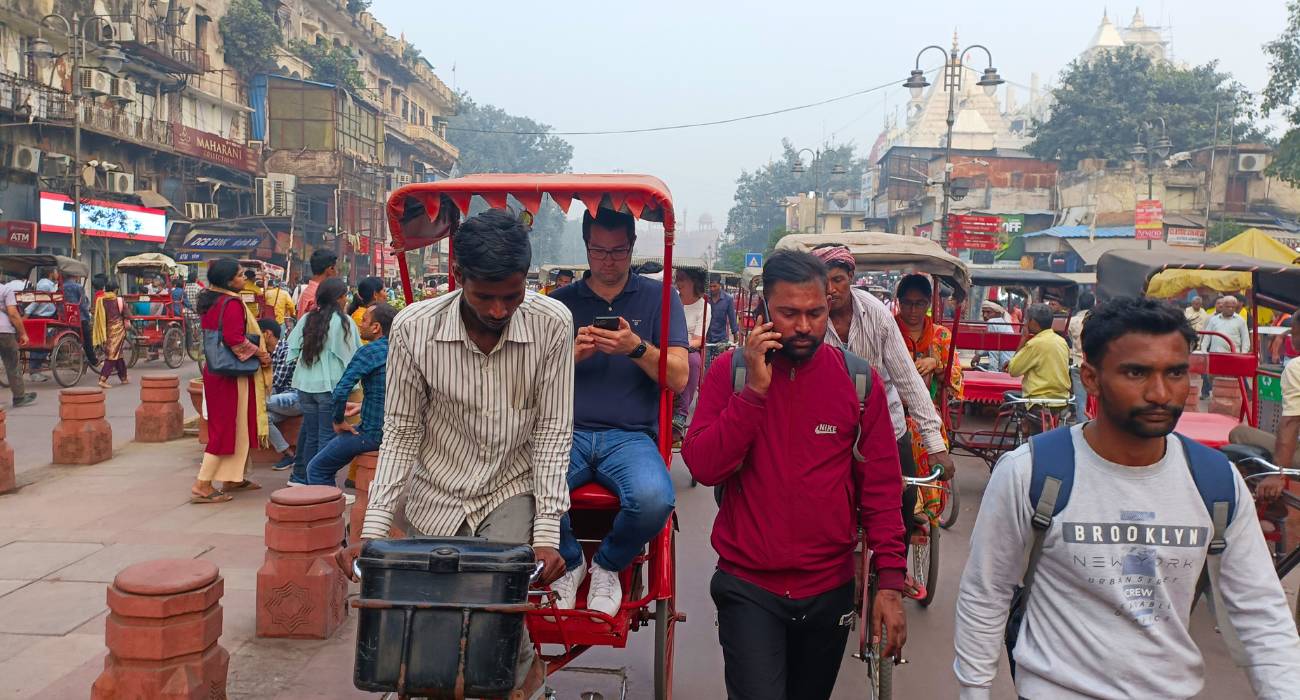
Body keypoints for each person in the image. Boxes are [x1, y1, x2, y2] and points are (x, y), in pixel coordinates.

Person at [954, 296, 1300, 699]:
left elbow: (1261, 614)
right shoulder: (1031, 471)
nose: (1159, 393)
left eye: (1175, 373)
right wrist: (974, 691)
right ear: (1091, 378)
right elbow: (986, 592)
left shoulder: (1215, 481)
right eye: (1136, 372)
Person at [335, 209, 574, 698]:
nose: (499, 310)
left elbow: (552, 432)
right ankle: (511, 677)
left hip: (511, 484)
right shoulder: (412, 328)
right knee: (435, 618)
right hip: (435, 488)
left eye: (512, 295)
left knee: (494, 604)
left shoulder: (553, 323)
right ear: (458, 276)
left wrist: (547, 533)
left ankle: (524, 679)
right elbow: (400, 434)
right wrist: (373, 534)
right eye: (485, 297)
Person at [682, 250, 907, 700]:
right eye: (789, 313)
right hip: (748, 587)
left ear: (830, 304)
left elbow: (881, 490)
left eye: (815, 312)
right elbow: (704, 467)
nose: (804, 326)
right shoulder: (731, 373)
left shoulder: (859, 383)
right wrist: (754, 396)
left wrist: (891, 586)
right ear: (765, 309)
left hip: (829, 589)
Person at [549, 208, 688, 617]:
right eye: (598, 251)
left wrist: (636, 348)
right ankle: (570, 562)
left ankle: (608, 565)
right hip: (565, 431)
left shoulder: (660, 298)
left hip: (630, 436)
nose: (608, 261)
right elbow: (530, 377)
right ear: (586, 248)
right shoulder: (560, 304)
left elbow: (678, 377)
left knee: (654, 500)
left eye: (617, 251)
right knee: (518, 489)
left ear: (631, 248)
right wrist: (568, 357)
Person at [812, 246, 955, 562]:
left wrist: (935, 445)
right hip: (830, 427)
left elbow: (909, 382)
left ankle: (894, 569)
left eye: (837, 280)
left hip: (886, 423)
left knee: (902, 499)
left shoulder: (877, 316)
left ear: (851, 277)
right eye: (822, 281)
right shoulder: (809, 318)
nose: (829, 290)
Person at [190, 260, 270, 503]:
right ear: (228, 281)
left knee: (237, 425)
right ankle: (202, 484)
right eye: (239, 275)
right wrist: (260, 353)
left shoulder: (211, 299)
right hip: (230, 375)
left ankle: (234, 477)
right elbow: (235, 339)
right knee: (225, 428)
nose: (243, 278)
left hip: (218, 372)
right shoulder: (232, 302)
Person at [306, 303, 397, 488]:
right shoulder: (407, 349)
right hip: (401, 431)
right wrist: (363, 405)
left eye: (364, 320)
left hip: (374, 434)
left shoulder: (369, 351)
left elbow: (340, 392)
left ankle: (328, 514)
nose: (360, 324)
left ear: (376, 327)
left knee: (316, 468)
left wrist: (339, 420)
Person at [284, 277, 358, 486]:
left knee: (312, 435)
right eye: (345, 295)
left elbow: (291, 350)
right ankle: (323, 486)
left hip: (305, 385)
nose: (347, 299)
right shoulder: (344, 322)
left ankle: (305, 480)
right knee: (327, 437)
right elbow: (352, 356)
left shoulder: (308, 318)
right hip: (329, 387)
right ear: (339, 297)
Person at [1257, 312, 1300, 501]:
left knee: (1239, 434)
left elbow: (1291, 421)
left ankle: (1271, 507)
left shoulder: (1296, 368)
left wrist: (1278, 473)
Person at [1006, 303, 1071, 402]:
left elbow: (1013, 370)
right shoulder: (1061, 342)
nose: (1025, 323)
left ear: (1033, 322)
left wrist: (1023, 338)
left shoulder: (1035, 344)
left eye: (1027, 320)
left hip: (1038, 400)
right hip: (1063, 399)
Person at [673, 266, 709, 442]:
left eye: (682, 279)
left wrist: (680, 345)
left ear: (694, 281)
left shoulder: (704, 306)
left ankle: (681, 413)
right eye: (677, 278)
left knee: (693, 361)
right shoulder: (671, 300)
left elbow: (698, 339)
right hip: (666, 345)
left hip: (687, 348)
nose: (678, 283)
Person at [260, 319, 299, 470]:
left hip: (296, 397)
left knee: (255, 404)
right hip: (280, 398)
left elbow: (276, 380)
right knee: (261, 418)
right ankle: (288, 454)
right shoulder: (270, 353)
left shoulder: (286, 349)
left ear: (267, 334)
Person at [1199, 295, 1251, 402]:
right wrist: (1203, 351)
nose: (1230, 309)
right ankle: (1217, 402)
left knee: (1232, 383)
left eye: (1233, 307)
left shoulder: (1240, 320)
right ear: (1223, 306)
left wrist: (1242, 354)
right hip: (1216, 356)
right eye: (1228, 306)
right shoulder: (1213, 320)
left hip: (1233, 357)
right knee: (1215, 382)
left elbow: (1245, 339)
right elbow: (1207, 337)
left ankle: (1231, 403)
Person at [91, 280, 133, 389]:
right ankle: (103, 378)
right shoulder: (118, 300)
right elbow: (127, 314)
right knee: (112, 355)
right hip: (117, 330)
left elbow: (94, 311)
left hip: (105, 330)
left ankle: (123, 377)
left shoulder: (101, 299)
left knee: (118, 354)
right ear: (115, 290)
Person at [0, 277, 34, 408]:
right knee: (12, 364)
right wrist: (23, 333)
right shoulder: (5, 290)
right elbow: (13, 314)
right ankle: (19, 397)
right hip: (5, 332)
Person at [1067, 292, 1095, 419]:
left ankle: (1082, 430)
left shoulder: (1072, 321)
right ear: (1093, 303)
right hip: (1094, 364)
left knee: (1081, 401)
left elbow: (1071, 340)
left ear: (1079, 304)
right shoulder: (1096, 319)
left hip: (1078, 363)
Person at [63, 272, 97, 369]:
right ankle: (93, 360)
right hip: (79, 317)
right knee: (87, 339)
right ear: (75, 275)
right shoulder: (78, 287)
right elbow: (82, 305)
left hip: (65, 317)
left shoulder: (61, 287)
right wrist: (87, 316)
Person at [296, 250, 339, 319]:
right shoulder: (319, 294)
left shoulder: (309, 291)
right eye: (336, 268)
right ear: (330, 269)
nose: (337, 272)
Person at [976, 300, 1015, 371]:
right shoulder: (1003, 322)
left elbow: (994, 350)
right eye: (983, 312)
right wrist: (978, 354)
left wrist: (992, 371)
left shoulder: (992, 321)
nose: (985, 315)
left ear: (998, 313)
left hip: (1003, 366)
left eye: (988, 312)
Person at [346, 276, 386, 342]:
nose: (386, 295)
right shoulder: (360, 316)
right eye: (384, 290)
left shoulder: (374, 313)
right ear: (375, 294)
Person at [706, 274, 739, 348]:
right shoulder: (706, 298)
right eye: (710, 286)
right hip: (706, 338)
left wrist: (736, 338)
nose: (712, 289)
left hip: (721, 338)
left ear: (720, 285)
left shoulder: (728, 299)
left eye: (714, 286)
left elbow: (732, 319)